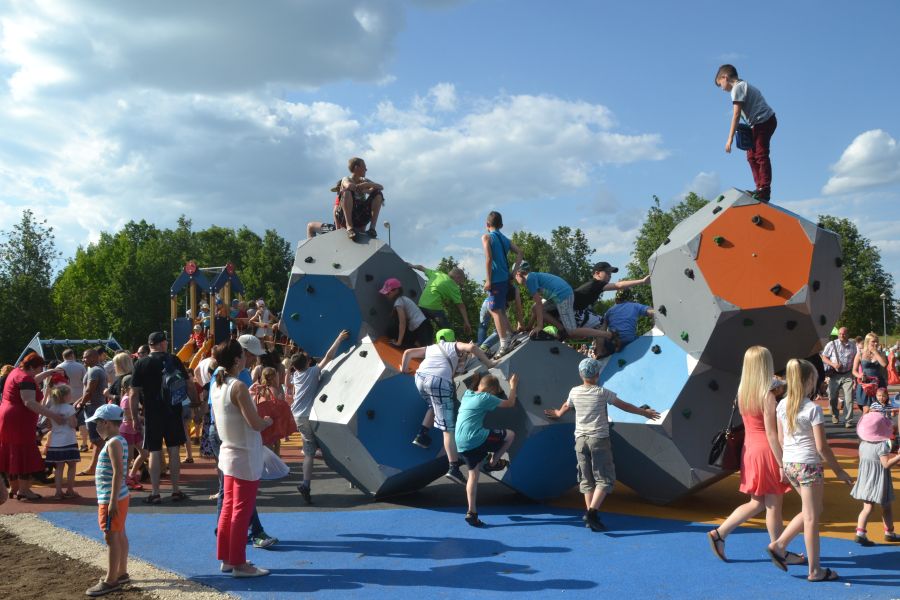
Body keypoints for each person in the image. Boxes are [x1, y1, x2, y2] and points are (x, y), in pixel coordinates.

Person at [705, 346, 798, 562]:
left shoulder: (743, 393)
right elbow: (772, 434)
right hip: (766, 450)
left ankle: (720, 533)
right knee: (774, 504)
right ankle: (779, 550)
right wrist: (782, 464)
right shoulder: (766, 396)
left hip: (750, 450)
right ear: (766, 365)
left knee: (757, 502)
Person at [544, 358, 660, 531]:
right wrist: (643, 412)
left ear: (580, 375)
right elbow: (624, 406)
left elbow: (567, 406)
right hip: (598, 439)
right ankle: (592, 513)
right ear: (597, 375)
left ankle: (591, 516)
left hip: (580, 440)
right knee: (605, 478)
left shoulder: (574, 391)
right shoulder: (602, 393)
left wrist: (558, 413)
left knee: (586, 479)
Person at [767, 359, 853, 582]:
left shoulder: (782, 405)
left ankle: (780, 545)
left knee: (812, 509)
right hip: (808, 465)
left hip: (790, 463)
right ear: (808, 381)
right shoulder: (812, 409)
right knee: (812, 517)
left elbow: (781, 438)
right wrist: (839, 471)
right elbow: (822, 447)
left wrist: (784, 463)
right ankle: (815, 570)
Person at [400, 329, 498, 484]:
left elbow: (408, 352)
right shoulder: (453, 346)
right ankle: (453, 468)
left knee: (434, 404)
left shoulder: (431, 348)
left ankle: (422, 435)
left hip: (420, 378)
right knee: (448, 429)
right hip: (438, 381)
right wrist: (489, 363)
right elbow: (472, 348)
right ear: (453, 338)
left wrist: (404, 369)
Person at [210, 339, 272, 578]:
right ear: (237, 360)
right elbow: (254, 423)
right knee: (241, 511)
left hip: (228, 452)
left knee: (228, 507)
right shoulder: (238, 386)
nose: (247, 358)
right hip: (244, 454)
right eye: (244, 355)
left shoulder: (218, 384)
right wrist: (267, 421)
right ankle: (239, 564)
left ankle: (227, 558)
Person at [130, 331, 192, 504]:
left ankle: (155, 492)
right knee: (174, 450)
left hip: (152, 412)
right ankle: (176, 490)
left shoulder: (141, 363)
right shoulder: (174, 360)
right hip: (173, 410)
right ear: (162, 343)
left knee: (154, 451)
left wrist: (134, 417)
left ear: (150, 345)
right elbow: (188, 383)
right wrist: (193, 402)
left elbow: (134, 394)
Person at [290, 329, 349, 504]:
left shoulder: (296, 375)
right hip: (307, 415)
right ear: (308, 363)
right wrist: (339, 338)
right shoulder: (312, 372)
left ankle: (306, 484)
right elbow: (329, 357)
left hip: (298, 415)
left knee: (311, 449)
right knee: (312, 452)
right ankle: (305, 484)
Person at [455, 372, 517, 527]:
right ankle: (493, 463)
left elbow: (475, 385)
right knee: (510, 435)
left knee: (473, 475)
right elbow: (510, 403)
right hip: (475, 438)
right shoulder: (486, 397)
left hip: (460, 443)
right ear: (491, 391)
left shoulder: (467, 394)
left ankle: (471, 512)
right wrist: (513, 386)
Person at [85, 404, 131, 597]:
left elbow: (118, 472)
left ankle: (111, 580)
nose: (95, 427)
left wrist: (112, 501)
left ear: (106, 423)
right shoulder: (120, 440)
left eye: (97, 423)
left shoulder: (113, 443)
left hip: (111, 497)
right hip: (120, 495)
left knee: (111, 537)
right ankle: (121, 572)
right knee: (119, 533)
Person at [715, 64, 777, 202]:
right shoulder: (742, 85)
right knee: (751, 156)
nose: (722, 89)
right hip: (757, 124)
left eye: (720, 84)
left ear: (725, 77)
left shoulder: (737, 88)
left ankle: (764, 190)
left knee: (760, 154)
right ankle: (759, 187)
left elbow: (736, 114)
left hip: (764, 121)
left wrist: (730, 139)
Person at [514, 262, 616, 346]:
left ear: (518, 274)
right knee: (534, 308)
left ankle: (609, 335)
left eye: (515, 278)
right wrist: (529, 327)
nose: (516, 281)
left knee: (572, 331)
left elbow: (539, 304)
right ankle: (561, 329)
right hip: (562, 294)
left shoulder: (530, 280)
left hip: (562, 296)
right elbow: (537, 306)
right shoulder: (534, 276)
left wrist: (539, 326)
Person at [851, 411, 900, 546]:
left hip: (866, 480)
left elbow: (864, 462)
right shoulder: (881, 446)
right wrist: (898, 457)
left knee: (867, 508)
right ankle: (889, 532)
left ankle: (860, 533)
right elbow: (886, 464)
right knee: (886, 507)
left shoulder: (862, 444)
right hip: (879, 482)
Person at [481, 211, 524, 357]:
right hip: (506, 278)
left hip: (496, 280)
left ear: (487, 224)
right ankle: (510, 334)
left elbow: (488, 258)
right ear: (501, 225)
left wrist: (488, 280)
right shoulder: (505, 239)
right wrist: (514, 271)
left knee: (493, 309)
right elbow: (520, 252)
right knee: (500, 309)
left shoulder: (486, 237)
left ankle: (504, 343)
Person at [408, 263, 472, 334]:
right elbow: (461, 306)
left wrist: (411, 266)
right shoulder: (453, 286)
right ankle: (448, 339)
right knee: (447, 331)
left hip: (421, 305)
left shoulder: (437, 273)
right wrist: (466, 322)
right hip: (435, 310)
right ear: (458, 277)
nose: (458, 284)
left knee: (424, 328)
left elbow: (421, 267)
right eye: (459, 282)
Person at [74, 348, 109, 476]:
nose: (83, 359)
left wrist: (81, 403)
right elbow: (88, 391)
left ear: (94, 357)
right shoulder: (96, 369)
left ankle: (107, 465)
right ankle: (94, 467)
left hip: (93, 408)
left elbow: (90, 390)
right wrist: (79, 401)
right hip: (94, 407)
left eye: (86, 357)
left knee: (97, 440)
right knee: (97, 440)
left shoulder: (94, 370)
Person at [44, 384, 80, 500]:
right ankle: (70, 490)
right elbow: (73, 424)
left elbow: (48, 425)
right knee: (72, 465)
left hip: (56, 442)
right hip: (69, 440)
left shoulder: (52, 409)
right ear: (65, 396)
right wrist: (74, 420)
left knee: (59, 467)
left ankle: (58, 492)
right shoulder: (69, 408)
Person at [335, 157, 384, 241]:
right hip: (345, 216)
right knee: (347, 191)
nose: (366, 169)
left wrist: (366, 185)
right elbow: (349, 185)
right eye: (364, 167)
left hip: (359, 215)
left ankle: (372, 228)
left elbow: (380, 187)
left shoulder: (364, 181)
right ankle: (349, 227)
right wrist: (362, 188)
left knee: (378, 194)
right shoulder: (346, 179)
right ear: (356, 168)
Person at [572, 262, 651, 314]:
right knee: (601, 322)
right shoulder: (596, 284)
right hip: (571, 311)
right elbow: (618, 285)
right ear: (597, 273)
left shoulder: (594, 285)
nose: (610, 276)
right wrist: (642, 281)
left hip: (573, 310)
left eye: (610, 274)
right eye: (607, 273)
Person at [595, 292, 655, 357]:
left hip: (613, 343)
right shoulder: (634, 306)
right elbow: (649, 311)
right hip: (630, 340)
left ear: (616, 300)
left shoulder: (609, 311)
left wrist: (599, 352)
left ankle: (602, 352)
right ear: (629, 298)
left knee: (607, 338)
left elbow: (601, 331)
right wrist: (656, 312)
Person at [253, 366, 296, 455]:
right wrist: (280, 400)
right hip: (272, 421)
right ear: (273, 378)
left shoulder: (261, 389)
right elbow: (275, 407)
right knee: (275, 442)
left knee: (265, 443)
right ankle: (275, 458)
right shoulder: (273, 390)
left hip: (263, 419)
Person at [380, 278, 434, 348]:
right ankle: (417, 342)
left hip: (422, 329)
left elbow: (402, 323)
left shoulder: (398, 302)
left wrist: (399, 342)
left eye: (388, 293)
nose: (386, 295)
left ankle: (417, 343)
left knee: (426, 349)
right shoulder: (403, 299)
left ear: (396, 291)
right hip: (423, 327)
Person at [821, 327, 857, 426]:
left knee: (849, 399)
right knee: (832, 397)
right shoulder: (831, 344)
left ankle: (848, 420)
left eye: (844, 334)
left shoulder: (853, 346)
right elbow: (824, 357)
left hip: (848, 374)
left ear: (848, 334)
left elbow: (856, 359)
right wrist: (833, 364)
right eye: (840, 334)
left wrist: (855, 375)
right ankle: (834, 415)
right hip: (834, 375)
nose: (841, 335)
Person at [118, 375, 147, 491]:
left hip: (135, 430)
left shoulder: (132, 397)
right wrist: (143, 418)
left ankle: (131, 475)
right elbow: (129, 416)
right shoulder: (126, 399)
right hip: (127, 431)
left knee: (144, 453)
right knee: (129, 457)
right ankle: (125, 480)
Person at [852, 332, 888, 423]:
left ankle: (878, 429)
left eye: (877, 341)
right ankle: (864, 429)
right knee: (866, 410)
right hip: (866, 385)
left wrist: (875, 352)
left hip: (878, 383)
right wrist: (860, 375)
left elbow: (884, 364)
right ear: (867, 342)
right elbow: (854, 371)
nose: (875, 343)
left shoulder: (881, 353)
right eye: (873, 341)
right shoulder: (860, 354)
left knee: (879, 410)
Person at [59, 348, 89, 451]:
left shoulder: (59, 367)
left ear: (63, 356)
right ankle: (84, 443)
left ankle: (66, 443)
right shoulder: (80, 366)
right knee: (81, 421)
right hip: (79, 396)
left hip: (64, 397)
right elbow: (85, 381)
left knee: (65, 421)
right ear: (72, 355)